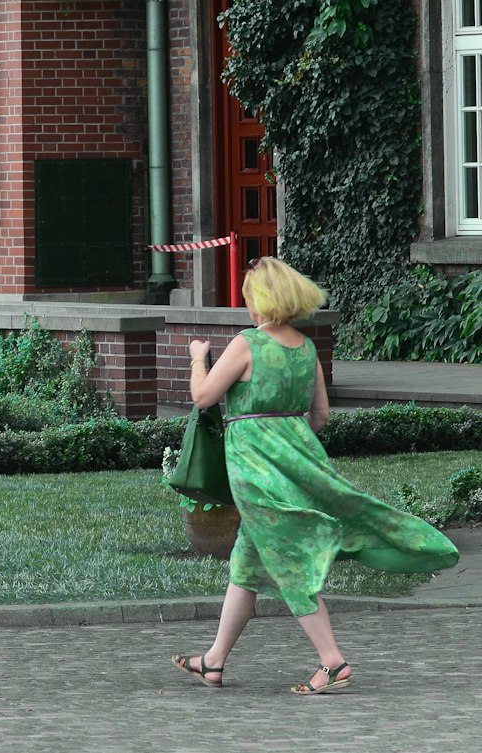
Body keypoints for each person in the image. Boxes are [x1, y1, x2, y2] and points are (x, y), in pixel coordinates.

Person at [171, 255, 458, 696]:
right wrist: (286, 427)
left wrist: (196, 358)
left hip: (256, 473)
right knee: (246, 565)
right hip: (301, 465)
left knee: (289, 564)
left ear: (260, 299)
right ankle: (213, 661)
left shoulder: (247, 343)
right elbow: (320, 417)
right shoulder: (307, 349)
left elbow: (203, 396)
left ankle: (333, 662)